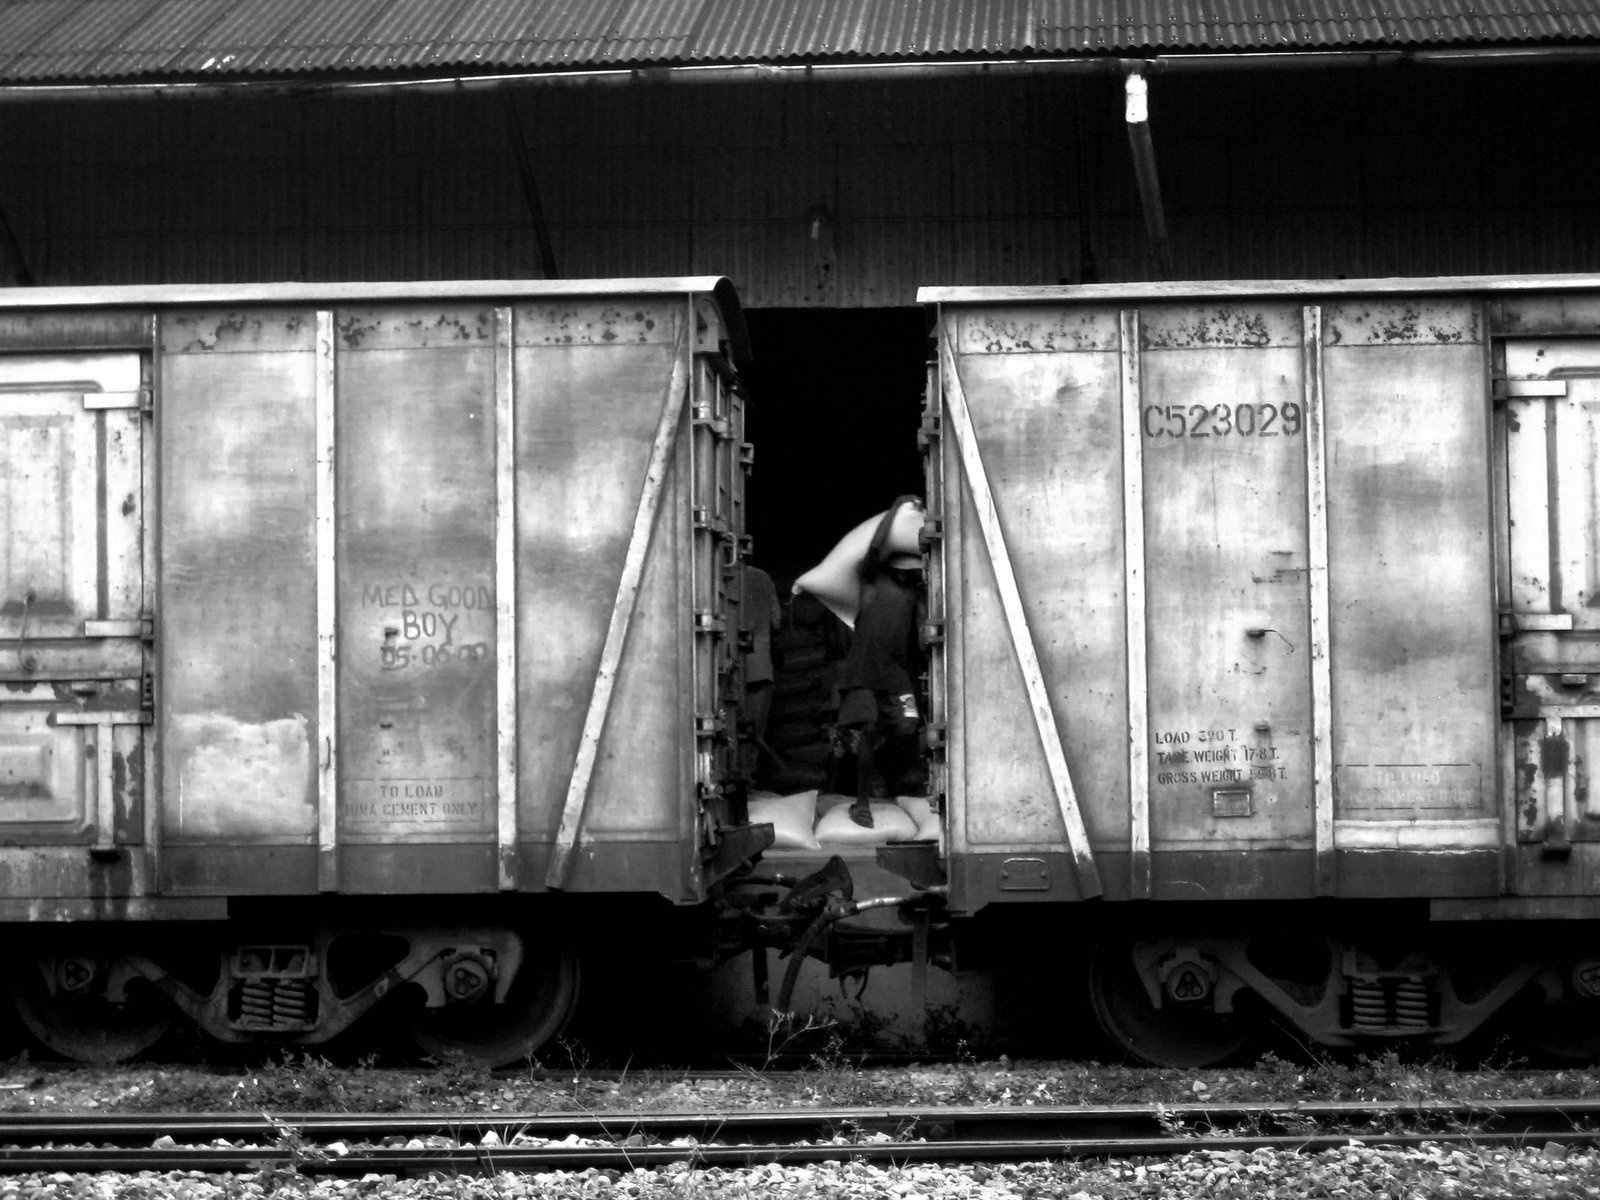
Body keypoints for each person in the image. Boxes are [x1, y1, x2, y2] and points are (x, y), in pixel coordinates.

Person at [833, 498, 925, 827]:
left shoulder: (914, 596)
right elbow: (875, 545)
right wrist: (900, 505)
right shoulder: (871, 581)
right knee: (868, 729)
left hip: (896, 673)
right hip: (864, 670)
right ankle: (861, 802)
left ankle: (884, 774)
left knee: (908, 726)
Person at [740, 563, 784, 782]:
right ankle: (748, 781)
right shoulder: (763, 577)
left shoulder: (714, 575)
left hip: (729, 668)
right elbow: (777, 622)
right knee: (754, 732)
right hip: (760, 667)